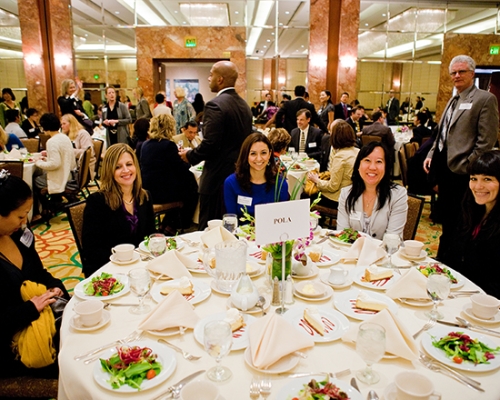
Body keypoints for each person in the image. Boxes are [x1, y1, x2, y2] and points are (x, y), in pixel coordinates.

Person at [424, 55, 499, 259]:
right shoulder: (453, 99)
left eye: (461, 71)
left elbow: (487, 141)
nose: (457, 76)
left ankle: (455, 263)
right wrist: (431, 154)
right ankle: (443, 259)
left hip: (464, 174)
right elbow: (442, 133)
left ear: (472, 73)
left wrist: (470, 167)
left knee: (461, 223)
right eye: (453, 73)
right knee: (447, 221)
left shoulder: (484, 99)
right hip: (446, 171)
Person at [0, 172, 69, 378]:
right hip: (13, 347)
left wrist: (55, 286)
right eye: (20, 216)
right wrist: (30, 308)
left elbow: (39, 273)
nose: (24, 222)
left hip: (43, 323)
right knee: (76, 362)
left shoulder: (20, 236)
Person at [179, 61, 253, 230]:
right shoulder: (245, 106)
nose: (208, 78)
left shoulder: (215, 105)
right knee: (233, 228)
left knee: (209, 230)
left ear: (220, 80)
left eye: (211, 74)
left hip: (216, 180)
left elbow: (210, 144)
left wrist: (189, 156)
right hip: (238, 177)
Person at [82, 144, 155, 277]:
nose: (126, 170)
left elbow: (150, 236)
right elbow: (91, 250)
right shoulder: (98, 201)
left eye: (129, 164)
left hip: (141, 267)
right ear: (109, 170)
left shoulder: (144, 196)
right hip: (110, 271)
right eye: (118, 167)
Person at [441, 150, 500, 299]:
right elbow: (451, 255)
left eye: (487, 179)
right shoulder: (470, 212)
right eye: (474, 178)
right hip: (456, 293)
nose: (478, 186)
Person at [337, 141, 408, 239]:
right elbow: (342, 234)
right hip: (352, 252)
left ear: (386, 167)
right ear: (358, 165)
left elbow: (392, 239)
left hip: (385, 253)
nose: (372, 167)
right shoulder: (346, 194)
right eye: (367, 160)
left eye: (379, 162)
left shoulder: (398, 195)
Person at [140, 114, 198, 231]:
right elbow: (181, 169)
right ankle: (181, 224)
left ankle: (168, 223)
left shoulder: (145, 145)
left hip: (147, 190)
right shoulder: (168, 145)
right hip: (162, 193)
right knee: (192, 188)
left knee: (185, 185)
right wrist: (187, 161)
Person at [224, 133, 289, 219]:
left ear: (270, 154)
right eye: (253, 154)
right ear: (246, 155)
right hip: (241, 232)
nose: (259, 158)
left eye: (263, 153)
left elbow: (284, 220)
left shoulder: (280, 184)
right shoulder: (231, 183)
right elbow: (231, 220)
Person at [307, 120, 359, 210]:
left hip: (339, 198)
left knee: (307, 194)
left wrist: (316, 180)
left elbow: (332, 186)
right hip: (354, 195)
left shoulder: (340, 156)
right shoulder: (357, 151)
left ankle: (316, 220)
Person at [34, 113, 76, 212]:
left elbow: (54, 164)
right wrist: (46, 158)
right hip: (70, 173)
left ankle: (46, 208)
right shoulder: (64, 137)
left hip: (62, 177)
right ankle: (56, 200)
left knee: (35, 180)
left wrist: (38, 162)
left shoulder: (52, 142)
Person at [60, 114, 96, 179]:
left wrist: (68, 151)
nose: (62, 126)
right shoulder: (65, 135)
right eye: (61, 124)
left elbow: (89, 152)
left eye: (64, 124)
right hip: (70, 166)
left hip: (83, 169)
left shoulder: (82, 134)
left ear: (71, 124)